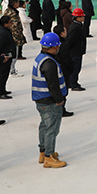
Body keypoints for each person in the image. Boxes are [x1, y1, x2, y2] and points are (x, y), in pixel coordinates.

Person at [32, 32, 68, 168]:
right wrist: (59, 100)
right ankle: (49, 157)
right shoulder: (49, 63)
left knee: (44, 126)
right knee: (51, 129)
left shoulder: (40, 58)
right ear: (54, 47)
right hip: (49, 101)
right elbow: (53, 84)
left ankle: (43, 152)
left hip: (41, 99)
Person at [53, 25, 75, 117]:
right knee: (63, 90)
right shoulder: (63, 45)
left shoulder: (54, 44)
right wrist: (71, 68)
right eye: (65, 31)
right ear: (62, 33)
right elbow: (67, 59)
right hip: (64, 71)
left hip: (57, 70)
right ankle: (61, 109)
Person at [66, 7, 88, 92]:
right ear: (78, 17)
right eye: (82, 16)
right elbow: (71, 40)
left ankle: (71, 83)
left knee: (75, 68)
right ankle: (73, 84)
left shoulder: (76, 25)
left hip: (76, 51)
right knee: (75, 69)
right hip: (75, 51)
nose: (83, 18)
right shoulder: (76, 27)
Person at [0, 16, 14, 100]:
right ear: (5, 24)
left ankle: (3, 89)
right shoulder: (3, 33)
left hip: (7, 55)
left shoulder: (4, 30)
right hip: (5, 56)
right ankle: (0, 92)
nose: (12, 23)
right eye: (10, 22)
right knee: (3, 75)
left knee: (5, 74)